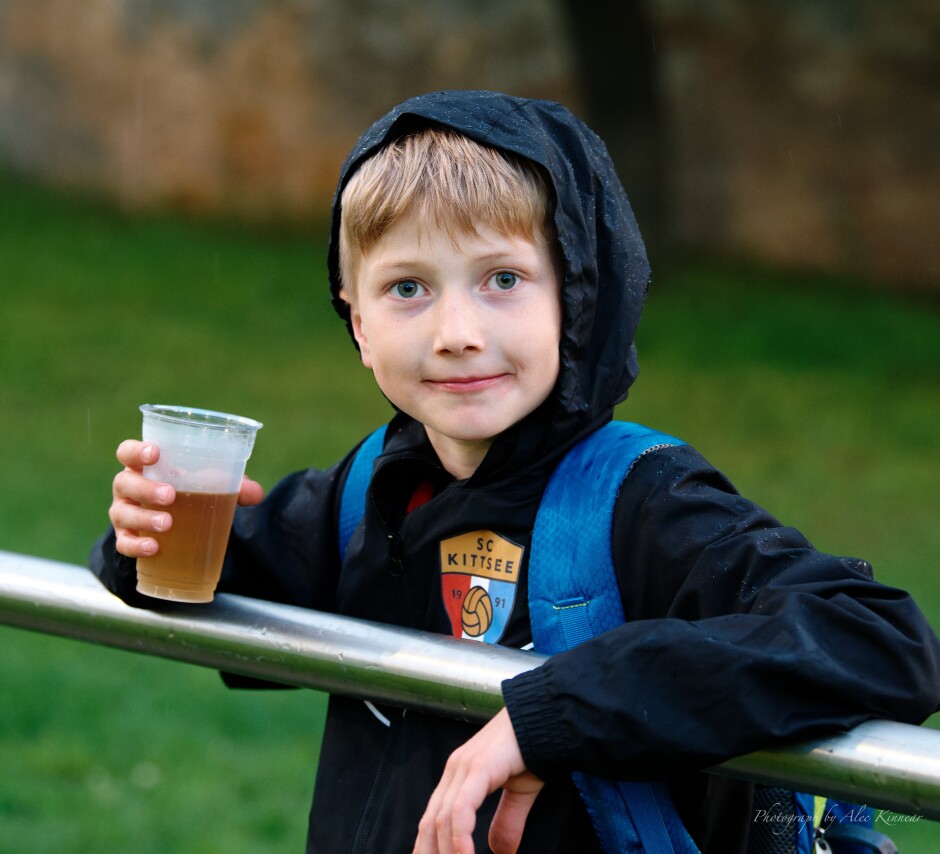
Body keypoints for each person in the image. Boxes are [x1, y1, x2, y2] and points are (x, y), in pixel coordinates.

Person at [91, 90, 940, 854]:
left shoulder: (643, 501)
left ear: (576, 297)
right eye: (408, 289)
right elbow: (211, 578)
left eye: (502, 279)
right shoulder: (371, 491)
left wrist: (550, 714)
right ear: (356, 324)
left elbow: (884, 642)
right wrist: (145, 537)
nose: (456, 330)